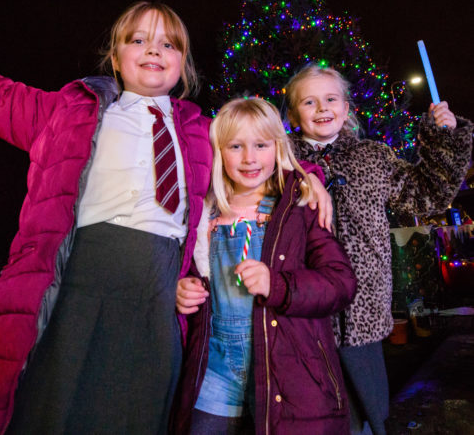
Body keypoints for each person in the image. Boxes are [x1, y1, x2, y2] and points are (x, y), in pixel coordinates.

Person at [0, 0, 213, 435]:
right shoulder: (64, 112)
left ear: (184, 64)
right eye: (138, 40)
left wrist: (311, 176)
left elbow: (263, 161)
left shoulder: (205, 133)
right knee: (54, 408)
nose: (154, 49)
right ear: (115, 57)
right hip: (77, 282)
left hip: (157, 297)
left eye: (169, 43)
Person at [284, 64, 473, 435]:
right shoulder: (281, 159)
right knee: (313, 408)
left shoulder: (373, 157)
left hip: (362, 310)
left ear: (346, 106)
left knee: (367, 409)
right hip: (304, 309)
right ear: (292, 114)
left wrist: (444, 139)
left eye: (331, 99)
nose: (322, 108)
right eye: (309, 101)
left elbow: (428, 193)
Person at [172, 97, 357, 434]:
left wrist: (278, 285)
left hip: (290, 371)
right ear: (217, 152)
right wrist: (183, 287)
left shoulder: (300, 206)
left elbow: (341, 284)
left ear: (278, 146)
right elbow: (181, 270)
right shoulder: (201, 215)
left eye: (261, 145)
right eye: (235, 146)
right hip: (215, 372)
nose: (249, 158)